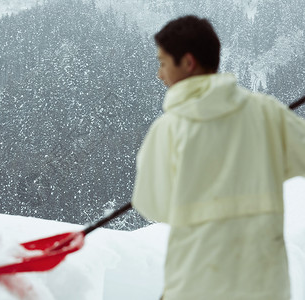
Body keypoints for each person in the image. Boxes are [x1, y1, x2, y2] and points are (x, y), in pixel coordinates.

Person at [131, 15, 305, 300]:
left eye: (163, 63)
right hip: (265, 286)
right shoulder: (267, 113)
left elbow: (153, 205)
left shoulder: (168, 130)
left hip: (197, 284)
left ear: (188, 63)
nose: (159, 75)